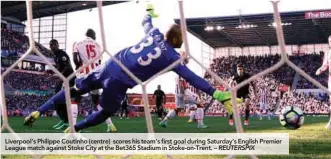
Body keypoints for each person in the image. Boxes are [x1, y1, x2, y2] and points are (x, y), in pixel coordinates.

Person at [24, 4, 240, 132]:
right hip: (120, 80)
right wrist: (217, 93)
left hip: (110, 64)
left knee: (73, 90)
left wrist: (149, 11)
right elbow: (193, 78)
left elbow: (145, 20)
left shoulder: (154, 34)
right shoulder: (172, 57)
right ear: (175, 39)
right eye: (182, 38)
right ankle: (75, 128)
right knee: (105, 112)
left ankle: (39, 110)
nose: (184, 41)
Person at [72, 29, 117, 132]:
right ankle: (110, 125)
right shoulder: (98, 45)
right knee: (96, 101)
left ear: (86, 34)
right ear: (93, 36)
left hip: (84, 74)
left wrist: (78, 66)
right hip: (96, 75)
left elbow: (75, 58)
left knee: (75, 99)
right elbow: (100, 62)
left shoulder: (77, 43)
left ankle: (73, 127)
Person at [159, 51, 207, 128]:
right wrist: (185, 94)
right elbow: (182, 81)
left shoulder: (177, 67)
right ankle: (200, 124)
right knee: (200, 103)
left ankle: (164, 121)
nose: (187, 58)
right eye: (185, 56)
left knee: (178, 108)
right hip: (184, 91)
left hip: (177, 93)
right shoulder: (182, 68)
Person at [48, 39, 77, 130]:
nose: (52, 46)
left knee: (58, 98)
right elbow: (59, 67)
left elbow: (67, 66)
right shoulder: (56, 56)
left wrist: (60, 76)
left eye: (54, 45)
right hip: (63, 80)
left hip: (69, 79)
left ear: (57, 45)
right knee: (56, 99)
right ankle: (63, 120)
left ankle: (66, 121)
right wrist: (51, 71)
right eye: (51, 45)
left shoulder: (62, 54)